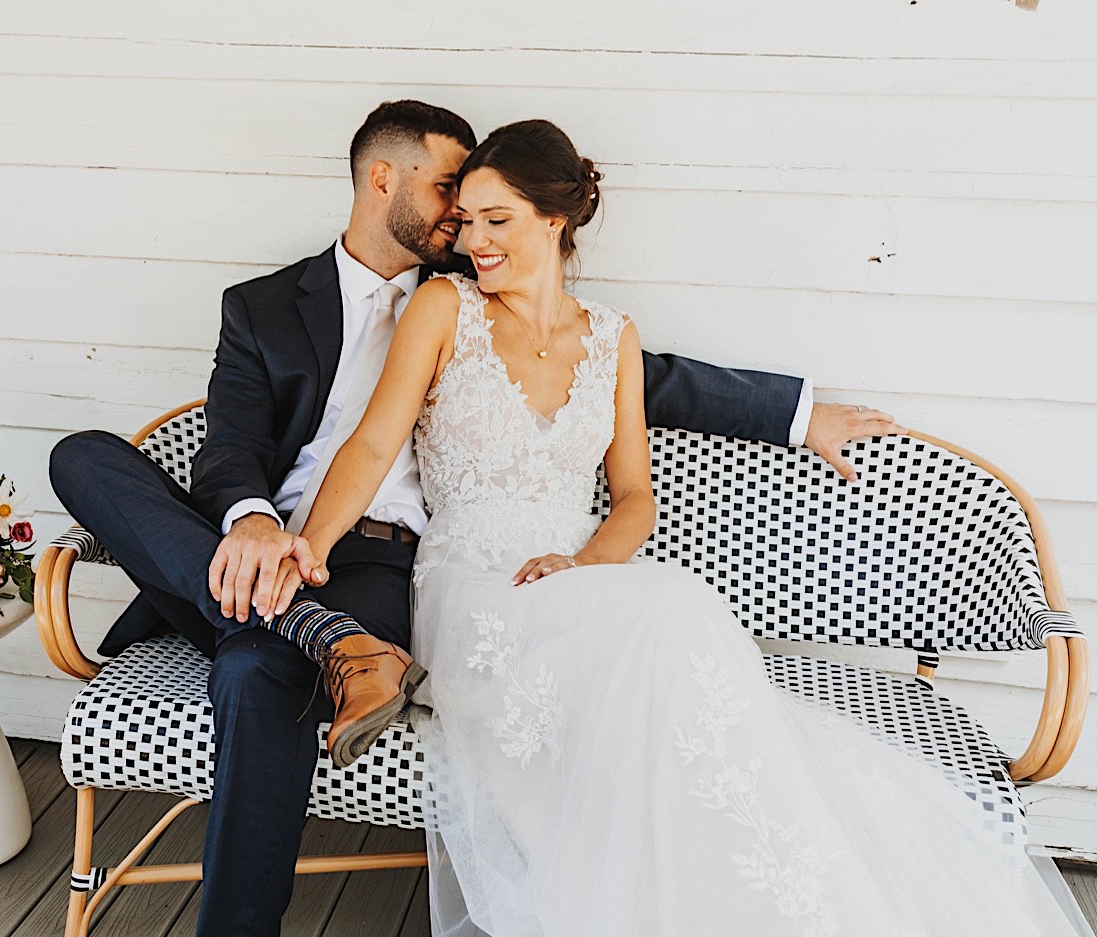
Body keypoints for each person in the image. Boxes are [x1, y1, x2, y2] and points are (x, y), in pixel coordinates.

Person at [48, 101, 893, 937]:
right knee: (82, 455)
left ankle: (315, 637)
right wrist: (263, 528)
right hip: (275, 549)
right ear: (385, 180)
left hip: (384, 569)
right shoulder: (267, 308)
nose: (464, 221)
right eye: (452, 191)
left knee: (253, 676)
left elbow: (638, 391)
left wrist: (796, 413)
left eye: (486, 209)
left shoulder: (489, 303)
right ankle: (313, 626)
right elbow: (241, 448)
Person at [280, 118, 1089, 936]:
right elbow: (375, 442)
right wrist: (302, 552)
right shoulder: (442, 309)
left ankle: (740, 894)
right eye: (470, 222)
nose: (476, 243)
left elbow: (635, 497)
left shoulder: (612, 338)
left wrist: (584, 562)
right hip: (476, 589)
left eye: (499, 221)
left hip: (579, 579)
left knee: (674, 605)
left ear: (554, 220)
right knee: (663, 613)